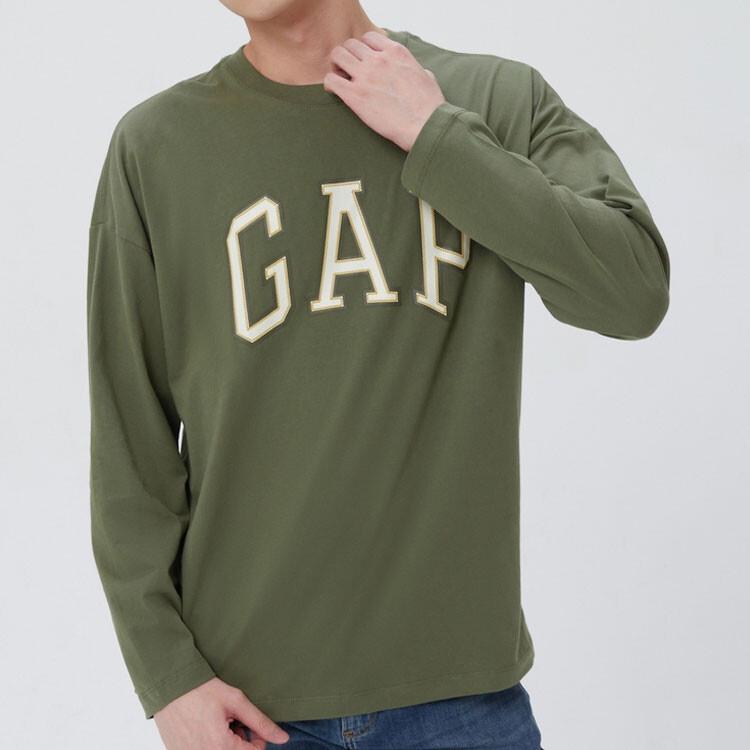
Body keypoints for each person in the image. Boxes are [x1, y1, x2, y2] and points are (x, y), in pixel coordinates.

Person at [86, 0, 670, 748]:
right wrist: (168, 680)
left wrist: (438, 137)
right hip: (248, 712)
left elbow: (633, 293)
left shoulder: (493, 99)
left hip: (461, 705)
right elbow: (129, 443)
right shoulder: (157, 147)